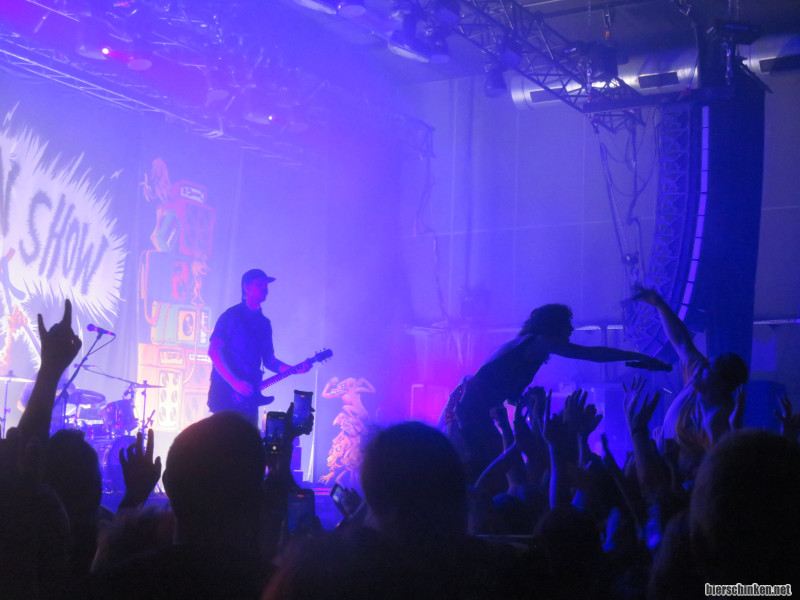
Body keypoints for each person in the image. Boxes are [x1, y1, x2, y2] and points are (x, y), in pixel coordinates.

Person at [450, 303, 671, 481]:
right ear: (553, 326)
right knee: (490, 466)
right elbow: (591, 354)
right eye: (567, 325)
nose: (571, 330)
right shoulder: (539, 342)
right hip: (469, 411)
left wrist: (526, 400)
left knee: (495, 465)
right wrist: (639, 356)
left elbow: (506, 394)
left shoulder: (528, 348)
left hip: (471, 410)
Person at [632, 287, 748, 472]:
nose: (701, 365)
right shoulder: (700, 378)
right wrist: (659, 303)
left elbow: (719, 466)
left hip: (681, 485)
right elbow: (682, 341)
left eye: (709, 367)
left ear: (721, 385)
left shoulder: (717, 418)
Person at [207, 269, 308, 424]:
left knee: (248, 437)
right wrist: (235, 382)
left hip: (250, 395)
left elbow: (270, 361)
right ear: (246, 287)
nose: (264, 288)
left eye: (266, 285)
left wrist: (294, 369)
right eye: (259, 284)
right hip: (226, 394)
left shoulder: (264, 323)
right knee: (224, 437)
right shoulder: (231, 316)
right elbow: (214, 351)